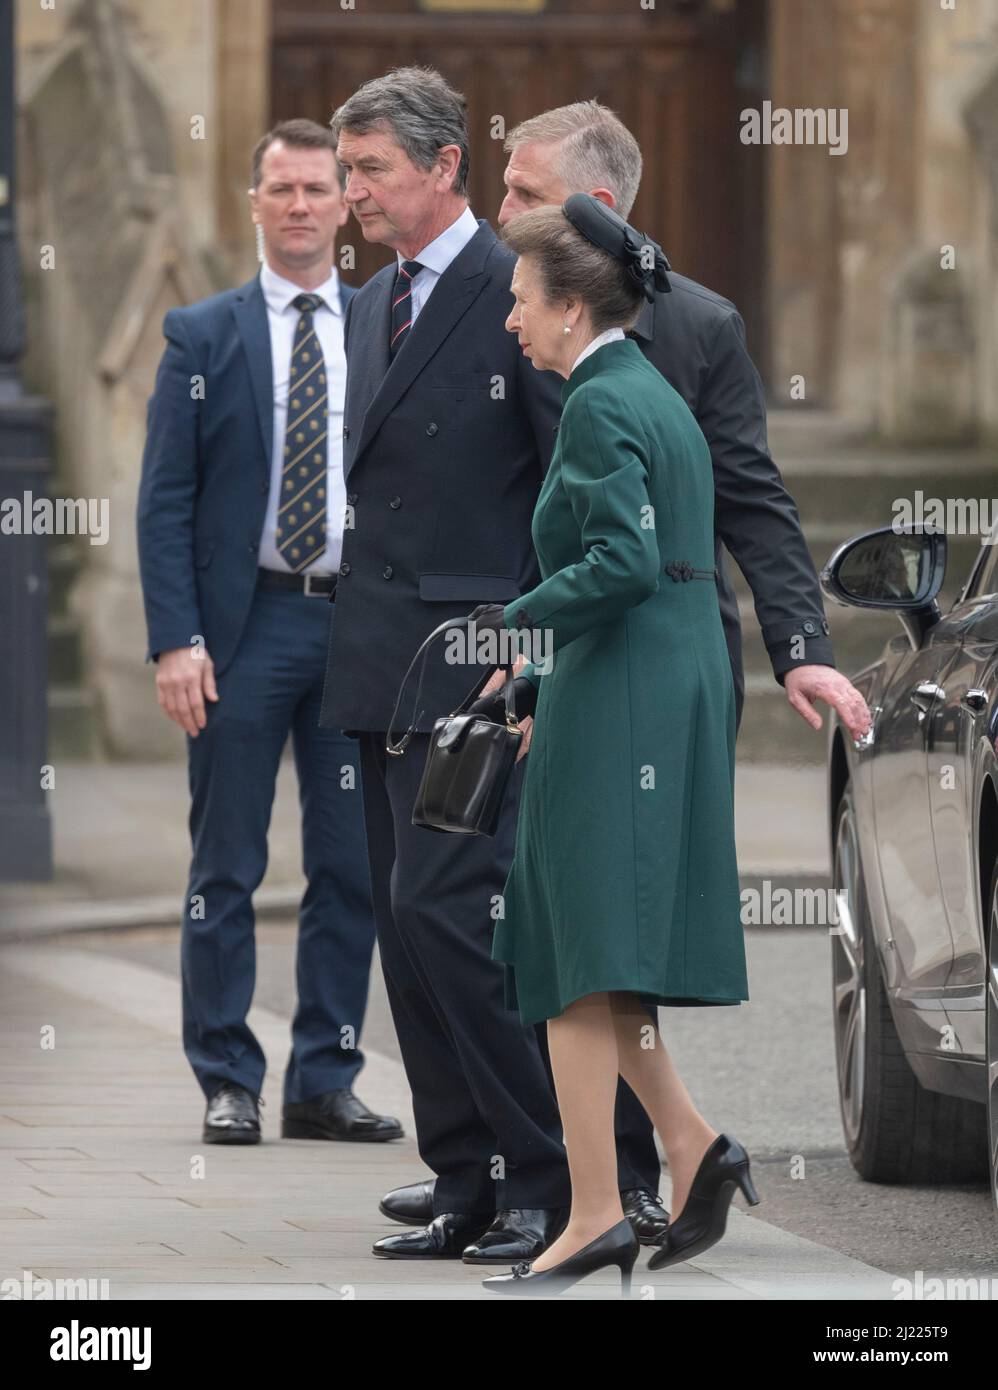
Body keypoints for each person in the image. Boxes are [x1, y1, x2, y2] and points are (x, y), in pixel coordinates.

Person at [379, 98, 871, 1240]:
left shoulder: (689, 328)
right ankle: (506, 1170)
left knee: (582, 932)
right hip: (515, 660)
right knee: (474, 914)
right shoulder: (479, 306)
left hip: (596, 659)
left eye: (522, 192)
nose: (496, 213)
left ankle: (607, 1187)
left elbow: (741, 493)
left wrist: (797, 647)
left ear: (593, 214)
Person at [317, 67, 581, 1265]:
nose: (352, 191)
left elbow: (560, 484)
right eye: (348, 169)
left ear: (443, 168)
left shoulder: (514, 286)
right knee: (406, 930)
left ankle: (542, 1176)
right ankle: (460, 1174)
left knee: (460, 919)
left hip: (475, 664)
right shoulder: (372, 303)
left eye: (372, 169)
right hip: (379, 660)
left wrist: (528, 651)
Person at [477, 194, 758, 1296]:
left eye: (518, 302)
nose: (510, 322)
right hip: (648, 677)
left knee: (572, 960)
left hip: (629, 692)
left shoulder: (598, 402)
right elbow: (654, 561)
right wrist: (547, 667)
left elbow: (624, 564)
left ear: (569, 306)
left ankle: (595, 1212)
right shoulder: (643, 389)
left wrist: (513, 622)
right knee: (597, 956)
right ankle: (690, 1147)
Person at [137, 119, 399, 1147]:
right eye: (279, 189)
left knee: (348, 867)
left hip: (353, 629)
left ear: (344, 205)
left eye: (316, 189)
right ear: (253, 201)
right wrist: (175, 640)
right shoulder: (201, 335)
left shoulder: (383, 321)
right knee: (226, 864)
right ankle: (227, 1078)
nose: (298, 206)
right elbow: (164, 501)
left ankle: (323, 1079)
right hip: (241, 631)